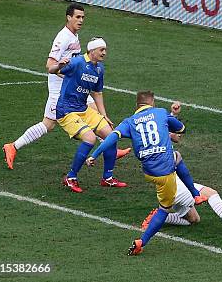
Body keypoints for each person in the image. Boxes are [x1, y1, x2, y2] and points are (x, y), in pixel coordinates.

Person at [2, 4, 130, 170]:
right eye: (77, 17)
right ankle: (12, 146)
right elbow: (50, 65)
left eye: (83, 17)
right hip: (60, 89)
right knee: (48, 124)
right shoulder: (63, 38)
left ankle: (108, 147)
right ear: (68, 17)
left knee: (91, 110)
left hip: (72, 87)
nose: (81, 20)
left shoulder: (73, 36)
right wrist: (72, 76)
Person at [86, 90, 208, 255]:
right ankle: (142, 242)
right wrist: (174, 116)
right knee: (164, 208)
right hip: (165, 172)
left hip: (149, 171)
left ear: (138, 105)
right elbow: (181, 130)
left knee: (175, 157)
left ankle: (195, 194)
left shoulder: (130, 121)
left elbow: (112, 138)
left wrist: (94, 155)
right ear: (153, 102)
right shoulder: (160, 113)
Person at [141, 101, 222, 237]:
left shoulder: (157, 138)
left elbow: (164, 128)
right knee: (211, 194)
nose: (180, 135)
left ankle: (159, 217)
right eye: (177, 133)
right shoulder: (163, 137)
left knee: (193, 219)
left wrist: (173, 114)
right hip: (174, 185)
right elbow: (168, 129)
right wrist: (173, 117)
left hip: (166, 186)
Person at [49, 37, 128, 193]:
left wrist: (103, 115)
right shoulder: (77, 62)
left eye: (105, 50)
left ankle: (107, 178)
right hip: (66, 110)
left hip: (83, 109)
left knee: (111, 136)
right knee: (90, 139)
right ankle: (70, 177)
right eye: (102, 50)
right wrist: (59, 65)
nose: (104, 53)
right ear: (92, 51)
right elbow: (52, 70)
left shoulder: (99, 69)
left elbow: (97, 93)